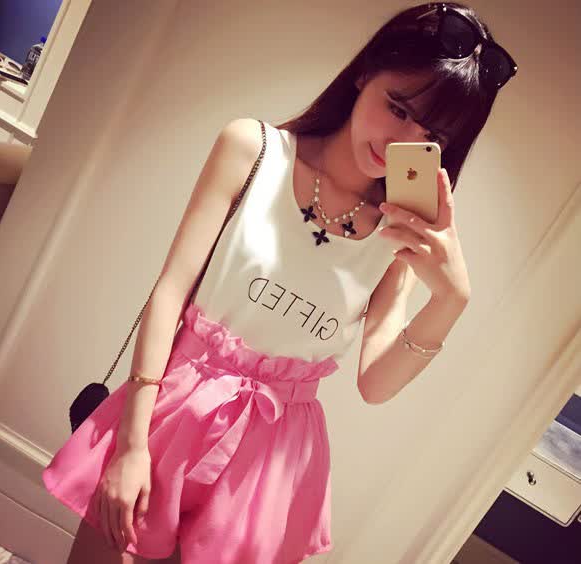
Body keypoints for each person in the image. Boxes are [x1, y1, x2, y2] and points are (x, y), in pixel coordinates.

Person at [42, 2, 517, 562]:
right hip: (170, 413)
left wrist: (451, 300)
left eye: (429, 134)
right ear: (365, 72)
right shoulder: (254, 149)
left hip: (271, 458)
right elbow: (170, 291)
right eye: (397, 107)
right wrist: (130, 445)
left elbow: (375, 384)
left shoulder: (399, 232)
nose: (401, 141)